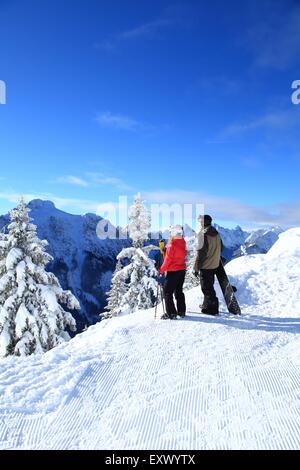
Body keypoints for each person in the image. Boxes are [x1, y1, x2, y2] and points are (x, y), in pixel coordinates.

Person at [194, 214, 223, 315]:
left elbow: (201, 254)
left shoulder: (204, 235)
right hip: (215, 264)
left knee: (206, 287)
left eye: (201, 222)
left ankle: (213, 308)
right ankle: (206, 305)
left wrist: (196, 268)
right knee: (209, 285)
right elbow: (222, 248)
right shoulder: (216, 233)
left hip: (206, 266)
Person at [159, 225, 187, 319]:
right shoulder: (182, 241)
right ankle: (181, 311)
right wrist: (166, 250)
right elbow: (178, 252)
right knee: (179, 291)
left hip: (173, 271)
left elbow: (168, 260)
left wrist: (161, 270)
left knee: (167, 291)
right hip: (182, 270)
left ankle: (171, 313)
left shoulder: (172, 243)